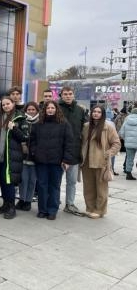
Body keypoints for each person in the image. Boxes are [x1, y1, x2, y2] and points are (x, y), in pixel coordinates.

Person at [31, 100, 73, 220]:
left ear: (56, 110)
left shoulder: (64, 123)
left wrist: (66, 159)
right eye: (48, 108)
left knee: (54, 186)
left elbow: (69, 143)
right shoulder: (39, 123)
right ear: (44, 110)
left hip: (57, 161)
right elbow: (32, 140)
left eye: (52, 108)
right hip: (41, 161)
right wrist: (34, 152)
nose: (50, 110)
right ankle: (42, 209)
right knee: (42, 185)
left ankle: (52, 210)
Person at [0, 96, 28, 219]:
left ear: (13, 103)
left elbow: (24, 137)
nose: (5, 106)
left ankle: (11, 207)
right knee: (3, 180)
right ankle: (5, 204)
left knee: (9, 181)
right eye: (3, 105)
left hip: (12, 156)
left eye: (8, 104)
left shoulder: (20, 118)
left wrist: (14, 128)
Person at [81, 105, 120, 218]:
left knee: (101, 188)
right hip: (86, 161)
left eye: (98, 112)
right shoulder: (86, 126)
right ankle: (90, 208)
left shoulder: (108, 127)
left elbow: (116, 143)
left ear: (102, 114)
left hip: (101, 162)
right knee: (88, 187)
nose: (96, 114)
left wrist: (108, 153)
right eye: (94, 111)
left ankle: (99, 210)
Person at [58, 86, 86, 216]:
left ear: (73, 95)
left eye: (70, 94)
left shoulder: (80, 110)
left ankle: (69, 204)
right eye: (65, 94)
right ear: (61, 95)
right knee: (56, 180)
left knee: (72, 181)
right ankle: (54, 201)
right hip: (57, 151)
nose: (68, 96)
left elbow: (85, 129)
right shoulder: (56, 108)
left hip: (74, 151)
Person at [15, 101, 39, 212]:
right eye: (29, 109)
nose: (31, 111)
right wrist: (23, 144)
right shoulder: (22, 120)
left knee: (32, 180)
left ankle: (28, 201)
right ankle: (22, 199)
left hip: (35, 156)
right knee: (23, 180)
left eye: (33, 109)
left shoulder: (40, 122)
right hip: (23, 155)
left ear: (37, 111)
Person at [119, 107, 137, 180]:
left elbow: (122, 132)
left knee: (129, 158)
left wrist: (125, 139)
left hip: (129, 143)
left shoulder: (127, 119)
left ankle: (128, 174)